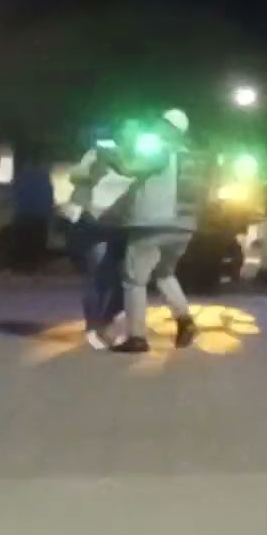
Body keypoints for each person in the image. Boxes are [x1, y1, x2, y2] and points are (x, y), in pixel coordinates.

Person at [111, 111, 207, 354]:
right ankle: (184, 320)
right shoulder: (190, 156)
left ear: (170, 128)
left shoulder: (161, 150)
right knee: (164, 273)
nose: (156, 126)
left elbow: (129, 168)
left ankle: (136, 337)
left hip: (153, 224)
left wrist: (118, 149)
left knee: (134, 279)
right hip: (183, 226)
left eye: (162, 123)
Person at [61, 140, 134, 349]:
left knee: (120, 279)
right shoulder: (96, 157)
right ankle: (94, 327)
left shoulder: (131, 160)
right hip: (97, 225)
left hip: (118, 225)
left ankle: (107, 325)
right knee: (99, 278)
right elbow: (77, 178)